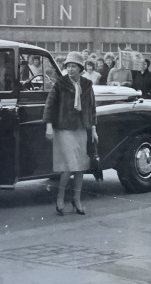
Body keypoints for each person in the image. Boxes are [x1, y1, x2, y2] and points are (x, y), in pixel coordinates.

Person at [43, 51, 98, 216]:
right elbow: (50, 105)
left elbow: (92, 109)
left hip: (81, 129)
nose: (70, 69)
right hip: (64, 130)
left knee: (80, 167)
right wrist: (49, 126)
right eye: (68, 66)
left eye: (74, 66)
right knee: (69, 167)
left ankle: (77, 199)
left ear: (81, 68)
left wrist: (94, 130)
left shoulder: (87, 85)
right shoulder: (60, 83)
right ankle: (60, 199)